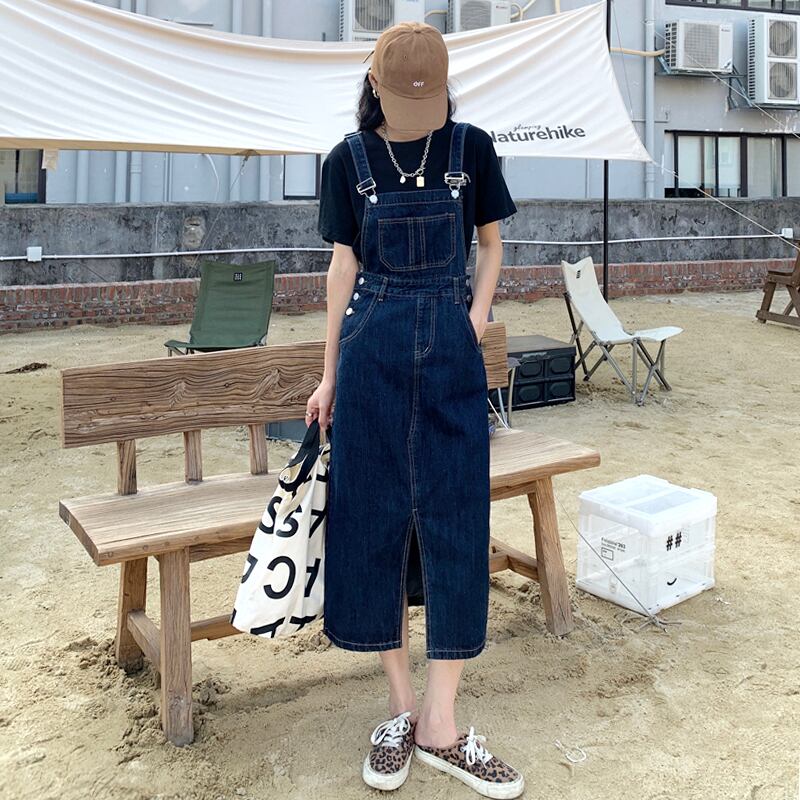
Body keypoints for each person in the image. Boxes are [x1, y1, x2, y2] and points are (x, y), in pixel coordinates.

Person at [307, 20, 523, 799]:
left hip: (451, 351)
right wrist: (328, 376)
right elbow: (342, 270)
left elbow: (491, 246)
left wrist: (475, 320)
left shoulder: (472, 149)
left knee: (456, 520)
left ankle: (442, 721)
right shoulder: (347, 160)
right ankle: (402, 708)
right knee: (375, 522)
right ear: (375, 86)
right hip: (371, 352)